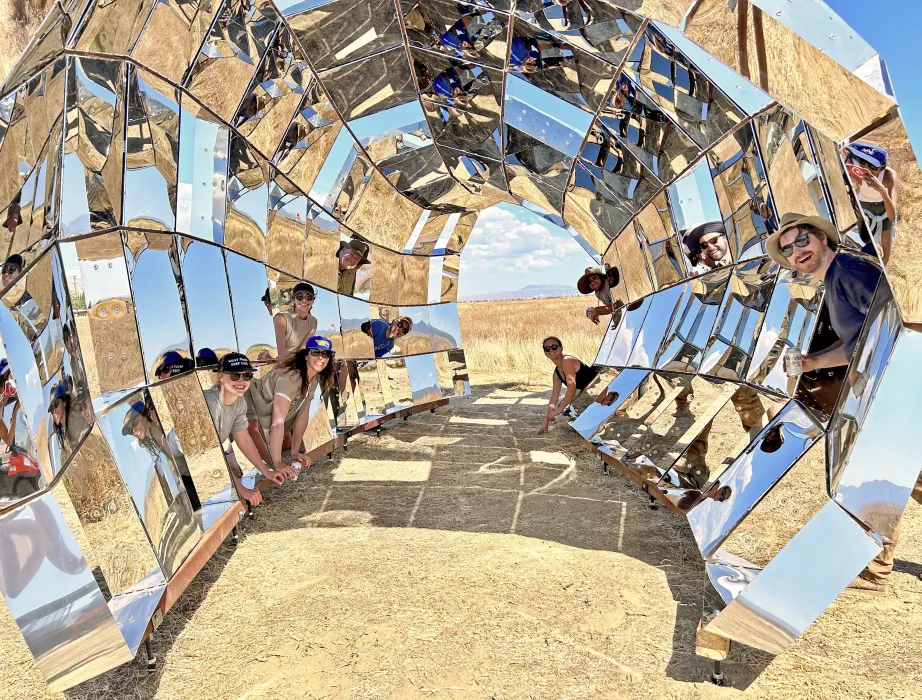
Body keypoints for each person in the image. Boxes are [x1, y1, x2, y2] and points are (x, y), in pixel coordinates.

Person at [766, 211, 921, 591]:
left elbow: (893, 323)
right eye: (787, 248)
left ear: (823, 239)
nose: (796, 251)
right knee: (895, 476)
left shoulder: (849, 270)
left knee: (887, 473)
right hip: (887, 388)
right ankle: (876, 567)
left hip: (896, 387)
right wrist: (814, 361)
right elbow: (859, 339)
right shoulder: (835, 280)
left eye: (802, 240)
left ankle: (876, 568)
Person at [204, 353, 295, 506]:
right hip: (181, 465)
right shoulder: (211, 403)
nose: (241, 381)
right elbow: (209, 454)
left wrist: (267, 472)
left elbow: (244, 439)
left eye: (247, 375)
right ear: (220, 376)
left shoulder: (239, 402)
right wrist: (240, 489)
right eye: (234, 375)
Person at [245, 336, 336, 474]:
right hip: (246, 403)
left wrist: (295, 451)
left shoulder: (313, 379)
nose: (321, 358)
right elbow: (277, 422)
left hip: (261, 417)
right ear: (306, 355)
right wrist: (277, 463)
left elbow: (302, 415)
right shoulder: (292, 378)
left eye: (325, 354)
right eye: (316, 352)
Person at [842, 142, 898, 264]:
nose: (870, 171)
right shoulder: (852, 169)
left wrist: (882, 190)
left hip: (884, 208)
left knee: (885, 255)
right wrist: (851, 184)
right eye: (862, 163)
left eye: (875, 168)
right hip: (864, 207)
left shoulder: (888, 176)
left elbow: (891, 215)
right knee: (864, 242)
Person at [538, 337, 598, 433]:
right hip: (588, 395)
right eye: (547, 348)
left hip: (600, 390)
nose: (551, 350)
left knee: (564, 410)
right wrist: (546, 424)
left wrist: (560, 409)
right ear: (545, 352)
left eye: (554, 347)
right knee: (564, 411)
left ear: (561, 348)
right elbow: (553, 399)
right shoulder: (557, 373)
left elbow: (572, 389)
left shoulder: (567, 360)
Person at [273, 282, 318, 361]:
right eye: (300, 297)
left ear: (313, 301)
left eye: (309, 297)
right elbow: (282, 355)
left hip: (299, 364)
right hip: (284, 366)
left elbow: (303, 350)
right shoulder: (281, 318)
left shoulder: (313, 322)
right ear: (294, 300)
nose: (304, 300)